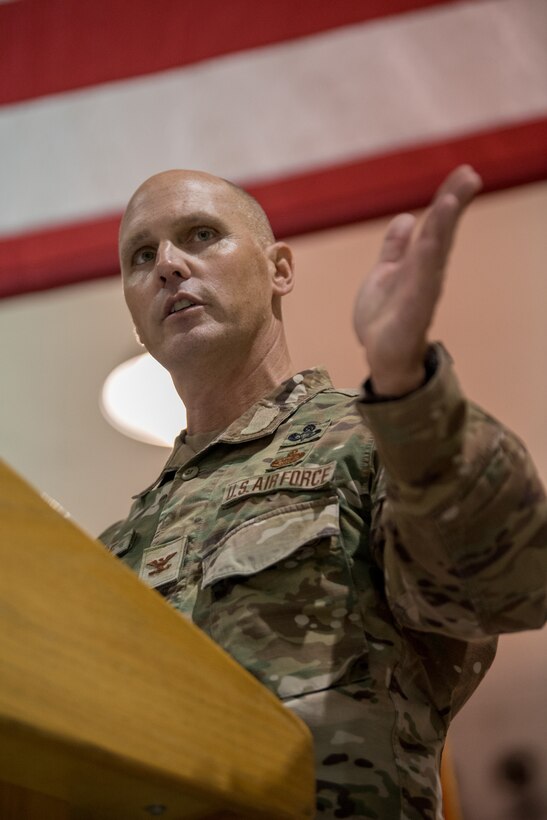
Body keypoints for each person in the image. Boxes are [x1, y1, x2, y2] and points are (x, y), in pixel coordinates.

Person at [100, 166, 547, 819]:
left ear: (279, 269)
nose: (169, 264)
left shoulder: (373, 442)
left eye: (200, 235)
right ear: (135, 313)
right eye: (142, 255)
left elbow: (511, 586)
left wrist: (407, 392)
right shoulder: (115, 552)